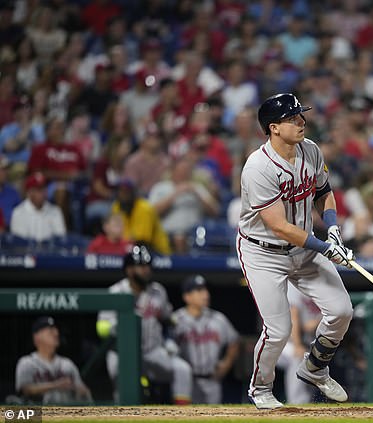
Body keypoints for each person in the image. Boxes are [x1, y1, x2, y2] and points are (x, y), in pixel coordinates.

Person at [236, 93, 354, 409]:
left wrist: (332, 229)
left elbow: (324, 192)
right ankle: (260, 389)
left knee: (342, 311)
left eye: (300, 115)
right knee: (278, 331)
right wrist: (325, 247)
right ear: (273, 127)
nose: (301, 121)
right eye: (292, 118)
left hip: (305, 250)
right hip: (264, 253)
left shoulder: (311, 150)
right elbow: (278, 226)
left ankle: (314, 368)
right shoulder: (258, 167)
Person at [96, 245, 192, 404]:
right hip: (122, 354)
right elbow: (102, 327)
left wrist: (169, 340)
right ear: (129, 270)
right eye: (141, 266)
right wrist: (119, 327)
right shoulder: (116, 292)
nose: (146, 270)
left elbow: (168, 319)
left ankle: (182, 416)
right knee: (124, 393)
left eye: (147, 265)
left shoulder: (158, 291)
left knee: (182, 370)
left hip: (152, 351)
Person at [171, 275, 240, 404]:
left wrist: (227, 362)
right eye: (199, 291)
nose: (205, 294)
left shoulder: (218, 319)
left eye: (205, 290)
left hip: (212, 381)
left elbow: (234, 340)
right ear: (187, 297)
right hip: (186, 382)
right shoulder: (175, 320)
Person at [15, 316, 92, 404]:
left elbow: (82, 390)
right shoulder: (27, 363)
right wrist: (56, 385)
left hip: (64, 414)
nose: (56, 333)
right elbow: (25, 389)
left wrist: (80, 390)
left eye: (56, 330)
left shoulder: (67, 364)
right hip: (37, 414)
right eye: (50, 331)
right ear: (36, 338)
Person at [277, 284, 322, 404]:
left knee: (311, 363)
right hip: (283, 343)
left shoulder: (322, 288)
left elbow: (309, 326)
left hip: (308, 344)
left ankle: (307, 404)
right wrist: (297, 345)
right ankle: (296, 402)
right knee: (299, 358)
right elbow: (294, 317)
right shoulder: (294, 285)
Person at [10, 172, 66, 242]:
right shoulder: (18, 212)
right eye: (39, 190)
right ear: (29, 192)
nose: (43, 193)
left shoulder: (55, 211)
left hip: (50, 251)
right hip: (26, 252)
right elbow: (19, 243)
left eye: (44, 188)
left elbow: (61, 238)